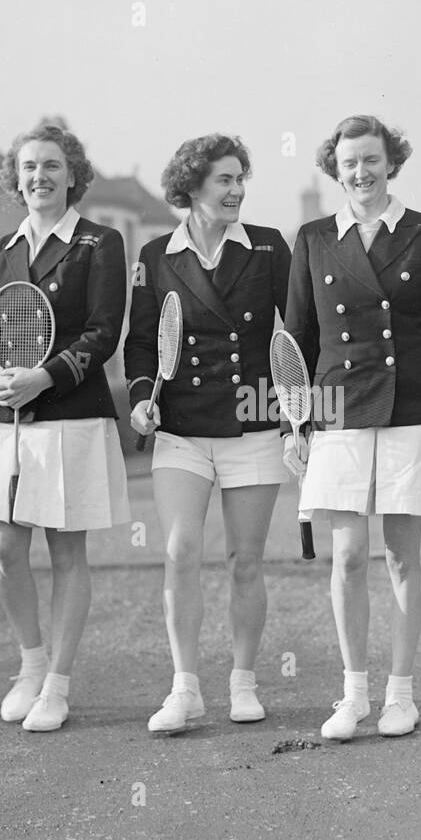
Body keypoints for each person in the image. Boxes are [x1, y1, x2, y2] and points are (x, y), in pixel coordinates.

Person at [283, 114, 421, 741]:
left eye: (372, 159)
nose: (361, 172)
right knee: (350, 556)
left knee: (402, 557)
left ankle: (401, 696)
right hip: (338, 412)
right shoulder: (311, 239)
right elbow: (297, 339)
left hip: (413, 409)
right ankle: (354, 694)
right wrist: (293, 424)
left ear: (393, 162)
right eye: (350, 161)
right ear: (336, 167)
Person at [0, 124, 131, 733]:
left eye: (53, 166)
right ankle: (30, 665)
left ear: (72, 174)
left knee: (66, 553)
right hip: (4, 422)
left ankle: (57, 685)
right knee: (5, 550)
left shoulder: (99, 243)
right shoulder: (0, 250)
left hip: (69, 417)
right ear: (17, 178)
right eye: (29, 167)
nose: (40, 176)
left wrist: (45, 378)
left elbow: (103, 330)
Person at [126, 134, 292, 733]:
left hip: (252, 420)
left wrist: (299, 408)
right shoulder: (155, 256)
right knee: (179, 551)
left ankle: (243, 683)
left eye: (240, 178)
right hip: (183, 427)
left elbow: (296, 329)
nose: (236, 190)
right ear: (191, 187)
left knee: (244, 560)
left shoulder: (270, 248)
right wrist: (144, 398)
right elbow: (141, 342)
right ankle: (185, 688)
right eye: (223, 180)